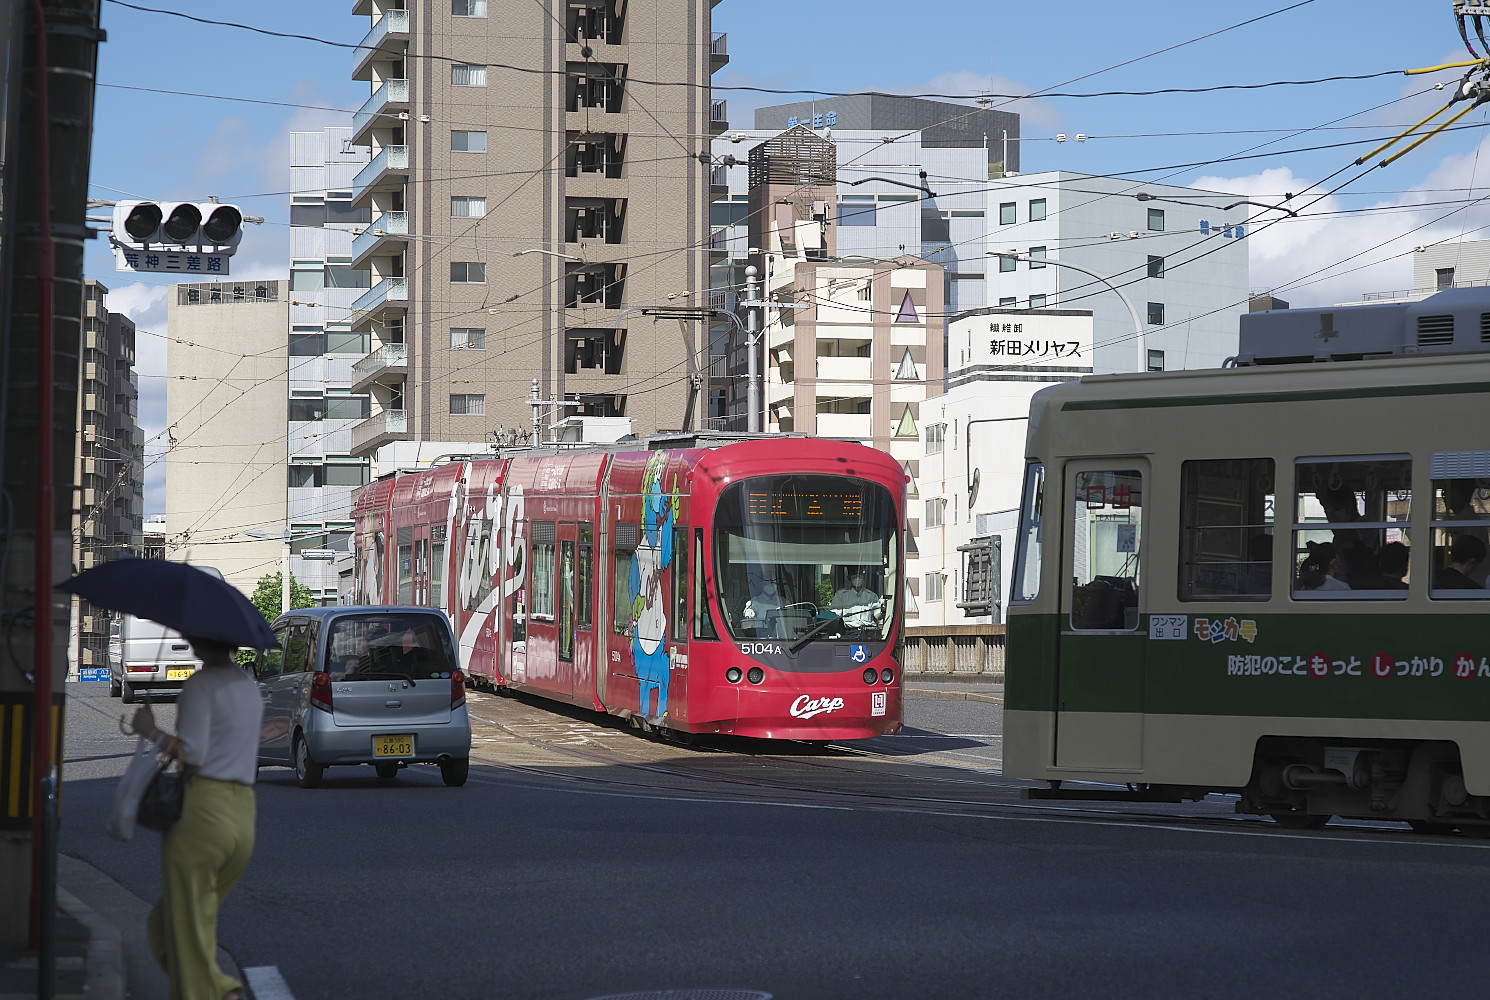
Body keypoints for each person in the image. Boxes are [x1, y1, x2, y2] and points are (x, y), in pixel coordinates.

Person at [130, 634, 263, 1000]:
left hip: (204, 809)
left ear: (201, 642)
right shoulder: (248, 686)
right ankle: (219, 989)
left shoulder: (200, 686)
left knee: (188, 931)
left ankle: (220, 992)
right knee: (169, 926)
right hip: (243, 812)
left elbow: (193, 754)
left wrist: (148, 730)